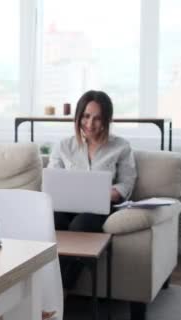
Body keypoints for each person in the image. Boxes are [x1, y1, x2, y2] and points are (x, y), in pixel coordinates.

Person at [49, 90, 137, 290]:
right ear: (78, 116)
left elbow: (127, 183)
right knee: (53, 221)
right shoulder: (64, 146)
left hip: (100, 207)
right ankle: (48, 286)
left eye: (97, 118)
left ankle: (60, 290)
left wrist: (106, 193)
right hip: (66, 205)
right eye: (86, 116)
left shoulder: (121, 147)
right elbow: (53, 180)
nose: (90, 124)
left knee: (81, 224)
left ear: (107, 119)